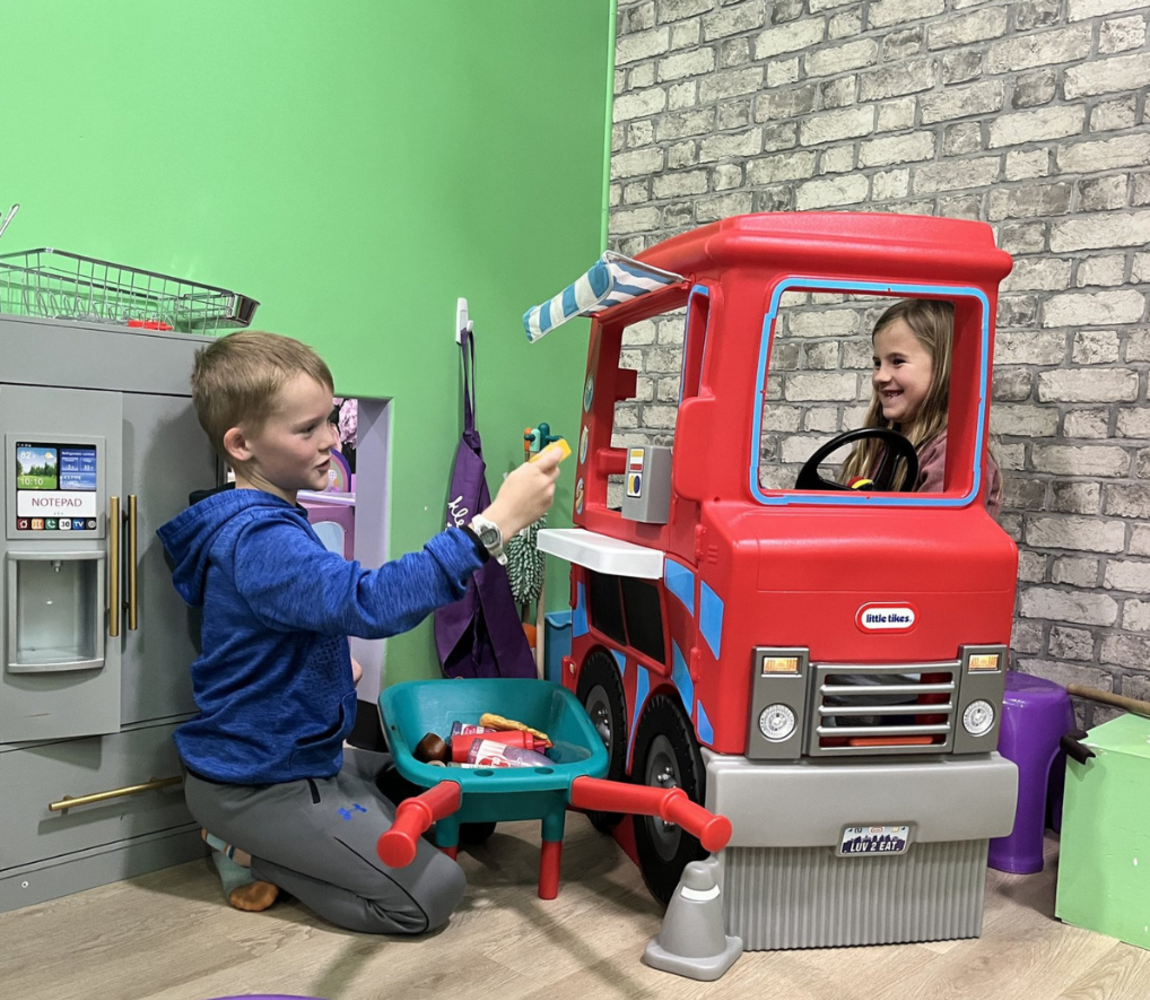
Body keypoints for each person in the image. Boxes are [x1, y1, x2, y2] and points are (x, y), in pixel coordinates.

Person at [157, 330, 560, 934]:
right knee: (430, 897)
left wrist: (324, 671)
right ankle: (247, 851)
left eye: (331, 419)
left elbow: (280, 631)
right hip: (260, 786)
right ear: (241, 444)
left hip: (311, 760)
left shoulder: (264, 521)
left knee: (465, 807)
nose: (331, 441)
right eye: (307, 429)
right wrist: (493, 524)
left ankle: (295, 842)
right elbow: (370, 604)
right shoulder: (259, 539)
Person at [839, 298, 1002, 518]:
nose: (880, 376)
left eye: (897, 361)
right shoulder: (881, 444)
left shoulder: (952, 456)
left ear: (944, 366)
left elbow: (934, 540)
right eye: (877, 363)